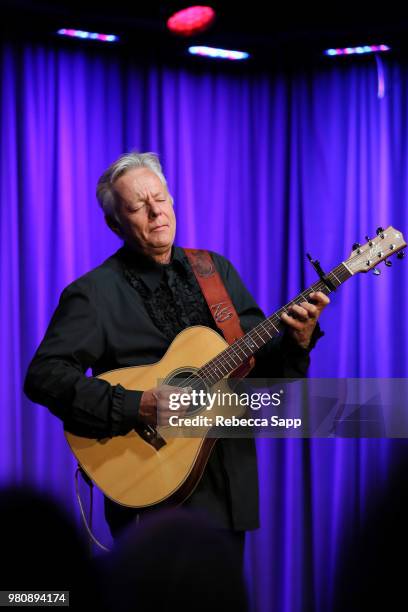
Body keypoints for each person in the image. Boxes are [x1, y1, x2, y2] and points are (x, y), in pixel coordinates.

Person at [24, 151, 329, 556]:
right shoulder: (94, 294)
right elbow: (44, 376)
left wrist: (299, 340)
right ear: (115, 223)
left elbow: (264, 373)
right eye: (137, 206)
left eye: (160, 199)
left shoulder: (214, 271)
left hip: (226, 490)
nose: (155, 212)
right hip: (149, 492)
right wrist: (137, 405)